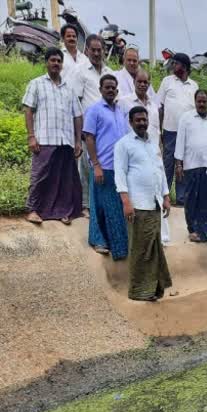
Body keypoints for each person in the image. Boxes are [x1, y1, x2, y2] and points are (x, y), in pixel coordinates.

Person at [114, 106, 172, 301]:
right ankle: (139, 291)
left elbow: (160, 170)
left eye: (144, 119)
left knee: (154, 248)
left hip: (154, 202)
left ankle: (155, 289)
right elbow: (120, 174)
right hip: (137, 204)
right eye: (137, 120)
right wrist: (126, 202)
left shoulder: (153, 143)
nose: (141, 123)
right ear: (130, 122)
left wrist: (165, 196)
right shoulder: (123, 144)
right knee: (140, 249)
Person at [21, 47, 84, 225]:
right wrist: (31, 136)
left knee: (64, 178)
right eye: (53, 60)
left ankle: (63, 212)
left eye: (59, 61)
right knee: (40, 176)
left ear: (62, 65)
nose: (56, 63)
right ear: (46, 62)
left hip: (65, 141)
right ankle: (33, 210)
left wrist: (78, 141)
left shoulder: (68, 88)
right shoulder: (36, 84)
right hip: (45, 139)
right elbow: (28, 110)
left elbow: (77, 115)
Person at [120, 69, 170, 245]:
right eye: (139, 82)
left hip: (153, 154)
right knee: (138, 198)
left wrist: (160, 150)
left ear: (149, 84)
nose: (142, 84)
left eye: (145, 82)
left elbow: (156, 130)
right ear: (134, 82)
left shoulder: (154, 106)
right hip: (134, 157)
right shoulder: (125, 102)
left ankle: (161, 238)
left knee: (157, 195)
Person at [83, 74, 130, 259]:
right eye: (107, 87)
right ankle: (98, 241)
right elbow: (89, 137)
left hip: (119, 168)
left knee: (115, 207)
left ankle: (116, 245)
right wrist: (96, 165)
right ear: (101, 89)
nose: (110, 90)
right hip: (103, 166)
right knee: (99, 205)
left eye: (113, 87)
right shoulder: (94, 110)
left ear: (117, 90)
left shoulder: (119, 111)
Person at [73, 35, 113, 215]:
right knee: (86, 167)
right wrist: (79, 130)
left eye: (100, 50)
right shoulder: (81, 71)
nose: (97, 53)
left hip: (106, 129)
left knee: (103, 166)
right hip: (87, 129)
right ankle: (85, 205)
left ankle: (101, 204)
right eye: (93, 50)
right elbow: (76, 102)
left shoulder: (109, 72)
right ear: (87, 50)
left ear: (104, 50)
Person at [175, 90, 207, 243]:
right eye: (199, 101)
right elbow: (180, 141)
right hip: (191, 166)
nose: (201, 104)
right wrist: (178, 164)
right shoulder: (186, 118)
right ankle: (193, 230)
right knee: (191, 200)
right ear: (195, 102)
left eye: (204, 101)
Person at [156, 53, 198, 206]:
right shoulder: (167, 81)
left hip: (188, 133)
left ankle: (181, 198)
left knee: (184, 164)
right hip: (170, 131)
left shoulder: (194, 86)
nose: (173, 66)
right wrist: (159, 130)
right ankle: (164, 196)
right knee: (168, 163)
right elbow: (159, 107)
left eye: (176, 63)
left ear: (185, 67)